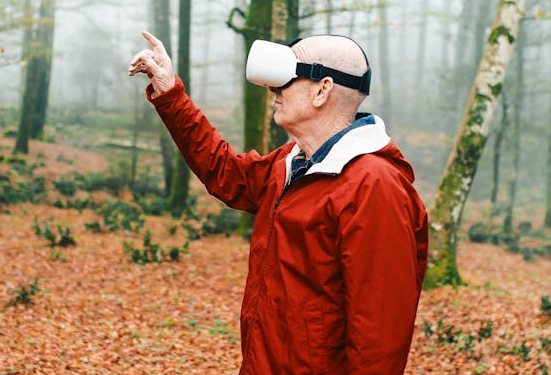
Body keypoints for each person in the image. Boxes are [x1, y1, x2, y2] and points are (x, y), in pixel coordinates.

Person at [128, 30, 429, 374]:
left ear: (322, 89)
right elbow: (224, 172)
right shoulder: (294, 161)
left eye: (286, 78)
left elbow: (379, 338)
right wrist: (170, 93)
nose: (273, 89)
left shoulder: (374, 187)